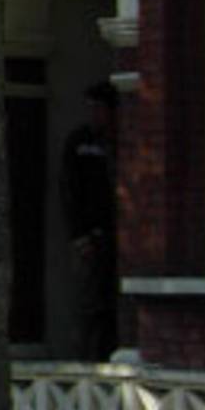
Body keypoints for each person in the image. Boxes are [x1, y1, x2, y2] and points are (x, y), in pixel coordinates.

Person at [61, 81, 119, 361]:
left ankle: (109, 353)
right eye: (91, 108)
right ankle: (85, 361)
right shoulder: (80, 143)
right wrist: (79, 234)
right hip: (89, 235)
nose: (95, 115)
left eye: (99, 108)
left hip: (118, 233)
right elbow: (69, 189)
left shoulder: (121, 140)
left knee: (114, 299)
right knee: (88, 301)